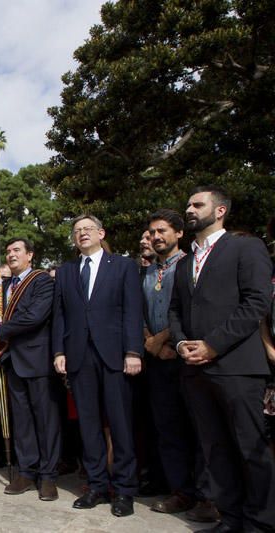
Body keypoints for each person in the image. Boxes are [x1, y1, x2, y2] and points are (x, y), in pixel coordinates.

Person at [169, 186, 275, 532]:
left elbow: (257, 302)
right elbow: (174, 311)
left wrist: (213, 345)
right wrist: (182, 341)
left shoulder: (246, 247)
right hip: (194, 372)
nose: (189, 208)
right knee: (215, 450)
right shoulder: (185, 263)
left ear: (220, 211)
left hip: (237, 368)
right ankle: (230, 519)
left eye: (197, 203)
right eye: (188, 203)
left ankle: (260, 523)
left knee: (250, 450)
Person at [52, 214, 143, 518]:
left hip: (115, 355)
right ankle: (97, 486)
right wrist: (59, 351)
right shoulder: (65, 272)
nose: (82, 234)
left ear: (101, 232)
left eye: (88, 229)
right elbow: (60, 315)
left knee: (120, 424)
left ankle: (125, 490)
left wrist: (133, 351)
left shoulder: (123, 266)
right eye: (77, 231)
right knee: (88, 425)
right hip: (78, 356)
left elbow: (132, 311)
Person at [141, 209, 213, 517]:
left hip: (187, 358)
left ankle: (208, 496)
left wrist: (165, 341)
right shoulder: (144, 272)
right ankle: (180, 492)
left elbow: (187, 311)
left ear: (178, 233)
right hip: (157, 363)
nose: (156, 237)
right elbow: (137, 311)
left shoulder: (190, 266)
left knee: (200, 430)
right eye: (152, 232)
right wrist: (151, 344)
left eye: (162, 231)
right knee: (167, 430)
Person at [0, 238, 60, 501]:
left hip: (37, 359)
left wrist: (2, 331)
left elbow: (36, 315)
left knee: (45, 420)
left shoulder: (41, 281)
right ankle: (26, 472)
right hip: (12, 361)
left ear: (30, 255)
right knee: (22, 421)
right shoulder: (4, 286)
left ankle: (48, 476)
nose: (11, 255)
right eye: (8, 251)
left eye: (16, 250)